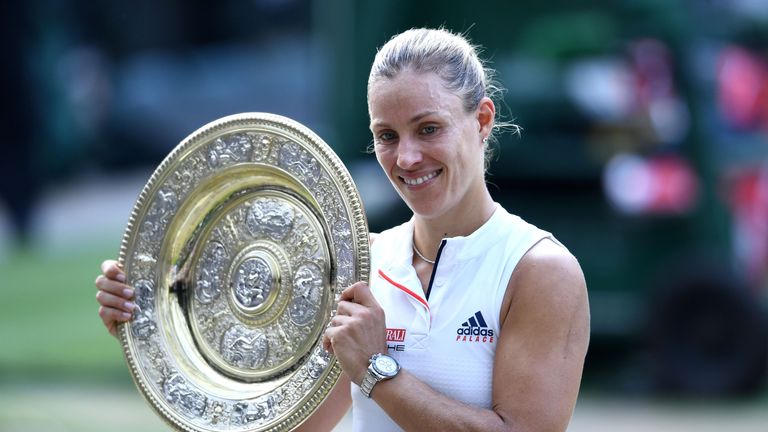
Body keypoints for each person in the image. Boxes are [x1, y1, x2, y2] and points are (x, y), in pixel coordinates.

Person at [95, 27, 590, 431]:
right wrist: (155, 321)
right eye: (386, 136)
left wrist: (377, 372)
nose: (407, 157)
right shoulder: (359, 263)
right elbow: (286, 425)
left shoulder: (539, 271)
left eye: (428, 128)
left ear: (482, 120)